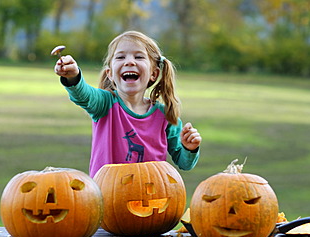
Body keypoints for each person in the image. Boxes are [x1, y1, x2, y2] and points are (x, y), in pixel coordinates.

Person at [54, 31, 202, 178]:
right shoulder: (105, 104)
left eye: (138, 56)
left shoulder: (165, 115)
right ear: (110, 74)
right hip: (107, 196)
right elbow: (84, 95)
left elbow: (185, 163)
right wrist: (73, 77)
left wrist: (189, 148)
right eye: (120, 57)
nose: (129, 61)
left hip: (152, 196)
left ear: (154, 74)